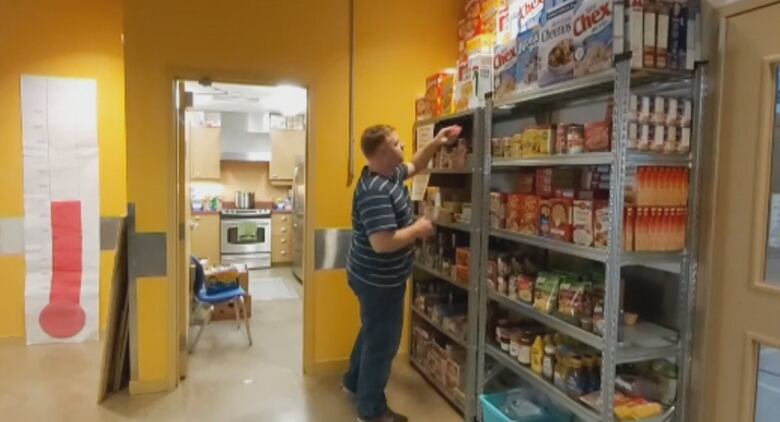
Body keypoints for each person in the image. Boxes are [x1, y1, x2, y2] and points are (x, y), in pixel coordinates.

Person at [343, 123, 462, 422]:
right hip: (377, 281)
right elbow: (382, 243)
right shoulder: (374, 191)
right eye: (397, 144)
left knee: (373, 331)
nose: (403, 147)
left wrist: (436, 142)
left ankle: (353, 382)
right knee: (383, 342)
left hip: (372, 276)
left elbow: (417, 164)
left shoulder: (388, 174)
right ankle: (371, 411)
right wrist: (418, 229)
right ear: (383, 151)